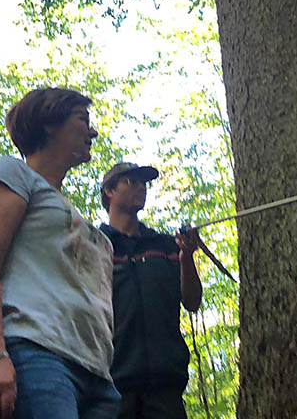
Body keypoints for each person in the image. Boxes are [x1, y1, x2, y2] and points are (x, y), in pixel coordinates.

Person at [0, 87, 120, 419]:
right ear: (49, 124)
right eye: (82, 119)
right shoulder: (15, 175)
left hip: (97, 379)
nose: (93, 131)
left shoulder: (68, 211)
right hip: (32, 357)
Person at [99, 162, 203, 419]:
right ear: (109, 191)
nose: (140, 187)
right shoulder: (95, 245)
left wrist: (186, 257)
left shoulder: (167, 245)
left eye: (143, 182)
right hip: (111, 383)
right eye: (131, 181)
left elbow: (192, 301)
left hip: (165, 384)